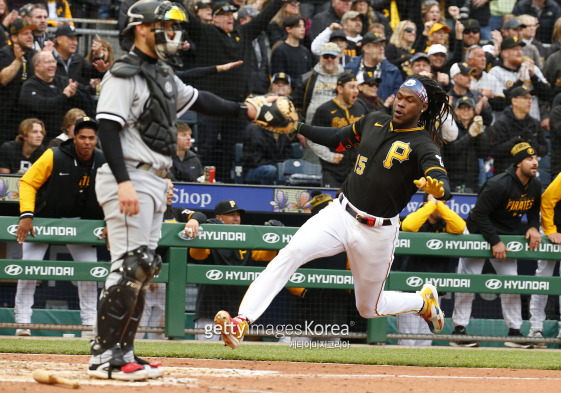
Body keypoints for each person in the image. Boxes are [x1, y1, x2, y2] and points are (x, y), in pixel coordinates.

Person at [89, 0, 263, 381]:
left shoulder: (163, 73)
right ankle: (107, 357)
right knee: (131, 265)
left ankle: (123, 352)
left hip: (155, 177)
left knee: (144, 267)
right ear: (140, 29)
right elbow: (106, 128)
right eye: (163, 26)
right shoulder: (124, 73)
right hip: (130, 175)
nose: (172, 33)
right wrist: (122, 183)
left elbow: (200, 100)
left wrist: (245, 110)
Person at [215, 74, 452, 349]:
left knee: (370, 307)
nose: (400, 103)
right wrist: (298, 126)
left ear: (422, 107)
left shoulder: (423, 143)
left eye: (410, 100)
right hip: (340, 213)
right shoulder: (374, 120)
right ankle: (241, 322)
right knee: (290, 253)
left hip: (378, 231)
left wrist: (437, 188)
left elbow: (442, 182)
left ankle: (422, 302)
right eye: (399, 96)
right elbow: (338, 141)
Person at [14, 117, 104, 337]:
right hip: (45, 218)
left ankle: (89, 325)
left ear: (96, 139)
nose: (87, 142)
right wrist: (27, 214)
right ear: (74, 137)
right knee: (29, 268)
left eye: (91, 138)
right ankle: (22, 323)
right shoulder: (54, 155)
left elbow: (114, 194)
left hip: (82, 222)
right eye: (82, 137)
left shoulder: (103, 161)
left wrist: (110, 220)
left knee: (89, 273)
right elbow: (27, 182)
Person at [451, 142, 542, 349]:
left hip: (505, 236)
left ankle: (514, 332)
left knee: (511, 283)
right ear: (518, 164)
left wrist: (534, 227)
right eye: (529, 159)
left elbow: (534, 210)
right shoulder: (498, 184)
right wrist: (495, 241)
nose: (535, 162)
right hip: (477, 233)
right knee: (468, 282)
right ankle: (459, 331)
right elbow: (479, 214)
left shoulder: (535, 185)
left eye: (536, 158)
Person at [183, 0, 285, 182]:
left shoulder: (244, 32)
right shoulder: (204, 32)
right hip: (210, 103)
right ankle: (201, 183)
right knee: (207, 145)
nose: (230, 17)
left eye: (232, 14)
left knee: (233, 148)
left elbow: (264, 18)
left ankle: (228, 184)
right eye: (225, 14)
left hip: (237, 105)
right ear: (214, 18)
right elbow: (186, 17)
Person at [190, 200, 279, 340]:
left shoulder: (246, 238)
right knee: (206, 352)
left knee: (233, 353)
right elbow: (196, 254)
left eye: (237, 214)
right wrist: (205, 232)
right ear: (219, 218)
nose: (236, 217)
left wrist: (275, 236)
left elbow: (264, 256)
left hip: (236, 312)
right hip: (210, 308)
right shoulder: (210, 237)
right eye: (230, 214)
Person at [137, 178, 207, 339]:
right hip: (143, 278)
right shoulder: (144, 211)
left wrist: (194, 220)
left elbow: (200, 214)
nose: (171, 192)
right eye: (167, 189)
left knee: (161, 333)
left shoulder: (176, 212)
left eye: (172, 189)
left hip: (167, 280)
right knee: (137, 331)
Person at [398, 193, 466, 346]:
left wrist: (439, 206)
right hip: (411, 287)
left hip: (434, 289)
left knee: (426, 338)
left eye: (444, 203)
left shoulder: (446, 223)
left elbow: (460, 227)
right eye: (438, 202)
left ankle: (422, 370)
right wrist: (429, 205)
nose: (442, 205)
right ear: (426, 204)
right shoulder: (419, 219)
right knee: (408, 338)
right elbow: (407, 226)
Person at [309, 72, 369, 188]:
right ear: (340, 89)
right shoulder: (324, 109)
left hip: (356, 170)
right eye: (351, 87)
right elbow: (312, 138)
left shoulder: (360, 107)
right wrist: (329, 156)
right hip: (333, 171)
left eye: (356, 87)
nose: (356, 91)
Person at [19, 50, 96, 141]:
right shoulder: (30, 86)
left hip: (68, 137)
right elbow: (42, 106)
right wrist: (64, 96)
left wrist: (75, 94)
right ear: (37, 66)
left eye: (53, 62)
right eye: (48, 62)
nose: (52, 65)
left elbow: (88, 104)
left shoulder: (63, 81)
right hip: (43, 139)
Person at [292, 42, 345, 163]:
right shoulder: (307, 78)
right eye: (326, 56)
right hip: (312, 133)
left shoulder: (346, 78)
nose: (329, 59)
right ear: (320, 57)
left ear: (339, 57)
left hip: (339, 134)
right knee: (312, 169)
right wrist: (300, 130)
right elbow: (296, 107)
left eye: (333, 56)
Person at [242, 73, 294, 185]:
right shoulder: (255, 128)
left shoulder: (285, 128)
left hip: (277, 169)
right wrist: (279, 167)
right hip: (255, 171)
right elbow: (254, 160)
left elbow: (289, 155)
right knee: (271, 170)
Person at [528, 171, 561, 345]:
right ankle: (535, 329)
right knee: (543, 277)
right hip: (552, 226)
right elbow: (547, 200)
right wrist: (551, 231)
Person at [488, 36, 551, 122]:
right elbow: (499, 104)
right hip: (505, 126)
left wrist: (533, 77)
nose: (519, 53)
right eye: (515, 49)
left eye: (520, 49)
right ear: (504, 53)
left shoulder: (532, 69)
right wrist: (520, 81)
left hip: (531, 125)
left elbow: (548, 95)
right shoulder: (495, 73)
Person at [491, 83, 548, 176]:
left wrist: (532, 142)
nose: (529, 101)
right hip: (505, 175)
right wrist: (517, 140)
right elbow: (496, 151)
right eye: (525, 98)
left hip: (528, 176)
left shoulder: (535, 123)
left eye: (530, 98)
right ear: (514, 101)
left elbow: (544, 150)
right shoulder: (501, 122)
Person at [0, 19, 37, 144]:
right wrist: (17, 60)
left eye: (31, 33)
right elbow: (3, 79)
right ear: (14, 38)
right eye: (25, 34)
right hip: (6, 115)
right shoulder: (5, 53)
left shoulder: (33, 54)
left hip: (26, 114)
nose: (30, 37)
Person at [443, 96, 488, 193]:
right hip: (451, 182)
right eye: (462, 108)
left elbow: (483, 153)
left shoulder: (476, 128)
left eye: (468, 108)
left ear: (473, 112)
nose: (465, 110)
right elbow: (451, 151)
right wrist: (470, 135)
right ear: (456, 111)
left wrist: (481, 134)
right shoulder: (450, 127)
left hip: (473, 183)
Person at [345, 32, 403, 102]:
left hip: (383, 111)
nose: (381, 48)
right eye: (377, 46)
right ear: (366, 48)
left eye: (382, 45)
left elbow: (398, 96)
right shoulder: (349, 68)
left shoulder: (393, 71)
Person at [447, 62, 493, 127]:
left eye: (470, 75)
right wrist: (474, 114)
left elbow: (488, 122)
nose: (470, 78)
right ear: (455, 77)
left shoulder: (477, 96)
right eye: (465, 75)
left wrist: (483, 109)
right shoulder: (447, 99)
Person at [270, 15, 312, 81]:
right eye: (298, 26)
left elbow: (308, 74)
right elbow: (279, 77)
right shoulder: (279, 51)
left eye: (304, 26)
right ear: (288, 29)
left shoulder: (305, 51)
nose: (303, 29)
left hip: (303, 90)